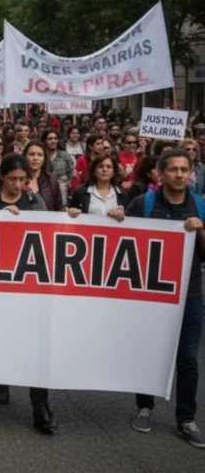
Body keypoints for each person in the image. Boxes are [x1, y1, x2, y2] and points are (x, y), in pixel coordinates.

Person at [124, 149, 205, 448]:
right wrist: (117, 216)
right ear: (160, 173)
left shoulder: (200, 206)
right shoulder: (142, 204)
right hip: (151, 297)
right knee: (149, 353)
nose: (180, 175)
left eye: (185, 169)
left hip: (190, 296)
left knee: (187, 359)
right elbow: (120, 241)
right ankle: (144, 406)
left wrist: (201, 231)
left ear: (191, 173)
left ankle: (186, 419)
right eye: (173, 169)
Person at [0, 154, 56, 434]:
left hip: (30, 281)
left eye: (24, 180)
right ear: (3, 178)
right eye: (13, 179)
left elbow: (48, 235)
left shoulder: (35, 202)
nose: (19, 184)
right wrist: (1, 220)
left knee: (36, 343)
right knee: (4, 334)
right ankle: (3, 377)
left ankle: (40, 405)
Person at [24, 140, 63, 212]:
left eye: (40, 155)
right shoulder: (17, 179)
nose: (35, 158)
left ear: (44, 158)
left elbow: (59, 208)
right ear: (25, 157)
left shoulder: (52, 180)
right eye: (31, 154)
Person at [42, 129, 74, 203]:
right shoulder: (42, 155)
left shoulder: (64, 155)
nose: (53, 141)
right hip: (45, 188)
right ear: (44, 141)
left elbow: (70, 173)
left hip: (63, 188)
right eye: (50, 139)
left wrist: (66, 182)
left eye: (55, 138)